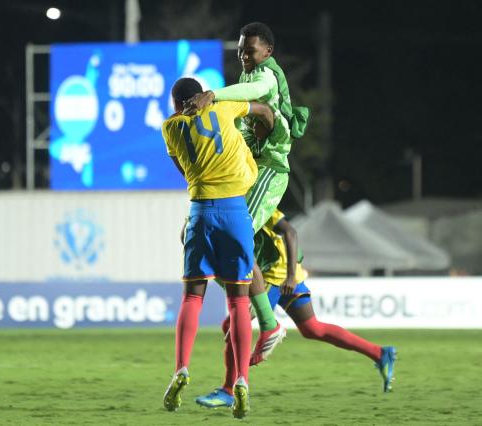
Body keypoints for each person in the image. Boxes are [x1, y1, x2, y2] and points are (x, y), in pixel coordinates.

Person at [184, 22, 309, 363]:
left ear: (267, 52)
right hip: (248, 169)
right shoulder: (247, 82)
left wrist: (213, 94)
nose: (243, 56)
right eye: (240, 50)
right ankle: (251, 303)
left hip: (270, 170)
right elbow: (239, 119)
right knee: (201, 235)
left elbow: (252, 101)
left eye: (249, 50)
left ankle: (265, 319)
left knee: (238, 238)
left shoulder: (267, 77)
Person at [195, 210, 398, 409]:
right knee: (312, 328)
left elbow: (290, 232)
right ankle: (380, 353)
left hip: (277, 276)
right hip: (281, 275)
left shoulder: (258, 206)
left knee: (233, 323)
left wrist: (290, 276)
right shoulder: (233, 209)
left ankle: (229, 391)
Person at [161, 77, 276, 419]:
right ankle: (241, 379)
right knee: (239, 300)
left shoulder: (170, 128)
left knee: (192, 297)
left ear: (176, 103)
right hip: (234, 212)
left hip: (200, 211)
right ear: (201, 95)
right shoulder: (224, 108)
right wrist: (263, 130)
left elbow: (184, 171)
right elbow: (264, 110)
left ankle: (181, 368)